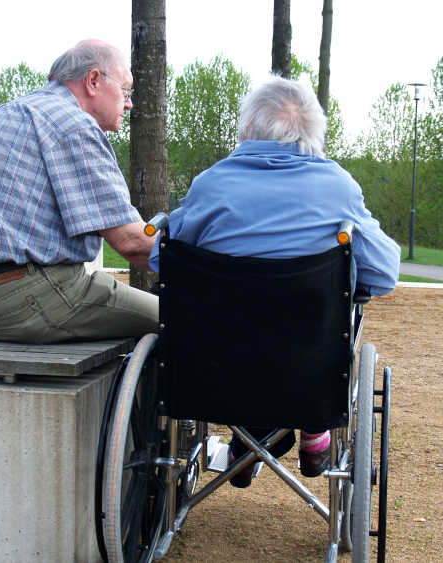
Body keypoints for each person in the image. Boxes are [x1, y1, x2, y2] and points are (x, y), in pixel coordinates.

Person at [149, 76, 401, 486]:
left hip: (213, 371)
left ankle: (248, 440)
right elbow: (384, 274)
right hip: (309, 368)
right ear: (314, 131)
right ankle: (314, 431)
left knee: (235, 326)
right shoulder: (337, 186)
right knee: (328, 316)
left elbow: (165, 259)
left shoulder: (210, 185)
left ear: (247, 129)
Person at [0, 39, 157, 345]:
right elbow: (131, 242)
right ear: (93, 81)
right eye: (126, 91)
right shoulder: (73, 124)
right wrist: (201, 260)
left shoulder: (2, 115)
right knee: (181, 317)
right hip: (21, 299)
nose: (129, 103)